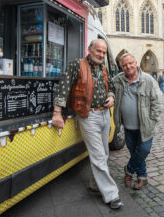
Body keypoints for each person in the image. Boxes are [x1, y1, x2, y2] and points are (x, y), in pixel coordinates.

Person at [52, 39, 123, 209]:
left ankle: (94, 184)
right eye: (98, 51)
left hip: (105, 114)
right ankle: (112, 194)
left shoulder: (104, 69)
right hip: (88, 115)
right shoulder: (77, 65)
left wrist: (112, 96)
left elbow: (111, 87)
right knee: (99, 155)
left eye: (104, 52)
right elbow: (63, 87)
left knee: (104, 153)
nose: (101, 55)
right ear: (90, 49)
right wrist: (57, 112)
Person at [112, 53, 163, 190]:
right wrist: (111, 96)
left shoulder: (148, 80)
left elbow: (157, 103)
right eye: (124, 65)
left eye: (130, 63)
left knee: (143, 150)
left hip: (145, 127)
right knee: (135, 152)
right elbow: (110, 91)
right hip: (128, 127)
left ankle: (128, 171)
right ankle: (142, 177)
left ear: (136, 63)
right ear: (121, 67)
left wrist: (152, 121)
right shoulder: (117, 80)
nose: (128, 67)